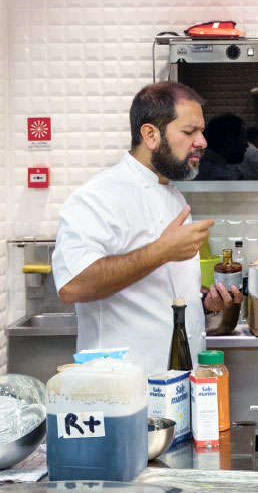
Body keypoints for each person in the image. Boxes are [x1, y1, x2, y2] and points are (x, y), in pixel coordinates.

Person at [52, 81, 242, 376]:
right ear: (151, 135)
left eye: (201, 131)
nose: (203, 141)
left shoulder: (174, 195)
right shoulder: (98, 196)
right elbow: (72, 285)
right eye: (189, 132)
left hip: (177, 386)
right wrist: (161, 251)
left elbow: (158, 295)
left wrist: (204, 302)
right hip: (121, 391)